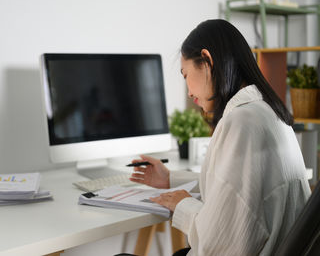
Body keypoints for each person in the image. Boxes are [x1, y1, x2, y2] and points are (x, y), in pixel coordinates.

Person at [129, 19, 311, 256]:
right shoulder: (267, 113)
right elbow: (233, 190)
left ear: (206, 61)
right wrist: (171, 179)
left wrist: (183, 204)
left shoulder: (242, 122)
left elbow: (218, 243)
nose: (189, 91)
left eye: (185, 75)